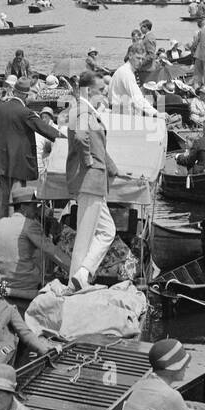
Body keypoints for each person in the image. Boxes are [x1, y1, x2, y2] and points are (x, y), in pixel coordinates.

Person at [0, 77, 59, 219]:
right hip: (19, 163)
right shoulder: (26, 112)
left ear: (14, 92)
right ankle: (13, 229)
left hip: (2, 162)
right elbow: (45, 129)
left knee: (2, 199)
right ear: (25, 95)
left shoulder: (0, 108)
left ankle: (1, 227)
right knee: (16, 200)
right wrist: (65, 138)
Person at [66, 71, 119, 290]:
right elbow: (80, 137)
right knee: (87, 235)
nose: (104, 96)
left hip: (95, 181)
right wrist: (89, 161)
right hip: (90, 179)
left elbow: (98, 147)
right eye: (100, 91)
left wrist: (113, 168)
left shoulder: (86, 110)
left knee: (107, 231)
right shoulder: (82, 110)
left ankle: (83, 273)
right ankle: (75, 281)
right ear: (88, 91)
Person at [0, 186, 71, 299]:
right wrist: (74, 268)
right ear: (24, 207)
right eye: (33, 206)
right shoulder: (29, 225)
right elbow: (51, 251)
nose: (36, 210)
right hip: (23, 285)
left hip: (0, 283)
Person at [109, 50, 160, 118]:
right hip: (122, 115)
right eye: (138, 58)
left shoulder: (122, 70)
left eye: (142, 59)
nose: (140, 61)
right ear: (130, 55)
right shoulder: (127, 73)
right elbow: (138, 98)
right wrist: (156, 113)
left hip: (118, 112)